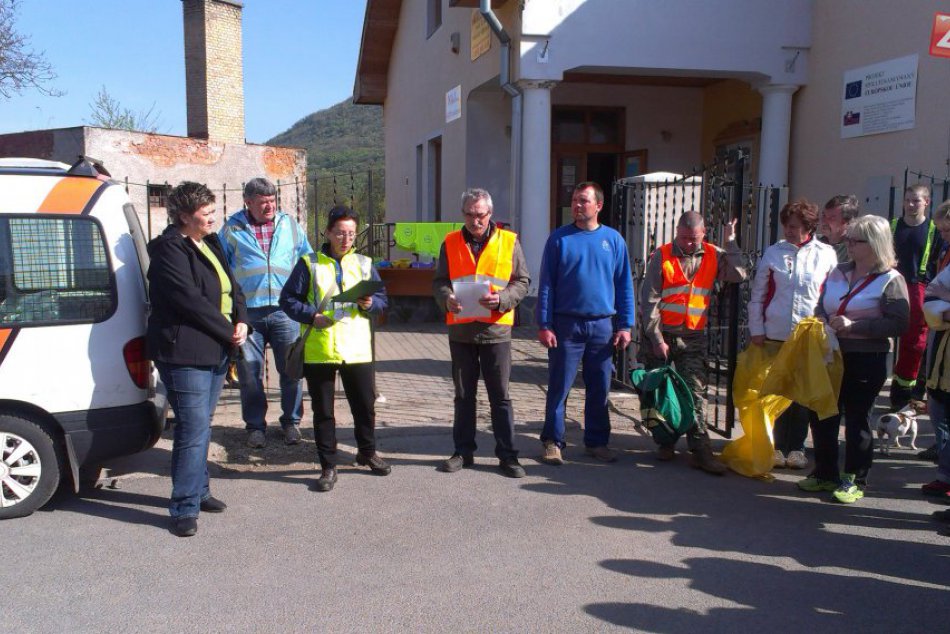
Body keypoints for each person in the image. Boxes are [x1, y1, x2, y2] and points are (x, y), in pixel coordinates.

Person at [146, 181, 250, 537]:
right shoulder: (168, 250)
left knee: (201, 425)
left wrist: (242, 321)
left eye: (212, 211)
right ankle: (184, 507)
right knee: (192, 429)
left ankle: (200, 491)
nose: (212, 218)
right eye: (205, 213)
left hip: (217, 347)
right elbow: (189, 301)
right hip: (185, 353)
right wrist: (228, 330)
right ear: (184, 217)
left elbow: (233, 287)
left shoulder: (212, 242)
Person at [798, 215, 909, 503]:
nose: (847, 245)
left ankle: (855, 479)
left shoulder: (891, 279)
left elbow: (898, 323)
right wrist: (823, 319)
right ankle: (825, 473)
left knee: (858, 418)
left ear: (874, 244)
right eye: (848, 239)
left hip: (867, 357)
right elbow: (821, 305)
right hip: (831, 353)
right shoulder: (839, 271)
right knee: (823, 413)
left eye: (854, 241)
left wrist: (855, 326)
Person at [279, 206, 389, 492]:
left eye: (351, 233)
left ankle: (367, 452)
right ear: (328, 232)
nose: (346, 239)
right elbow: (288, 299)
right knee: (324, 411)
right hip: (321, 349)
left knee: (364, 406)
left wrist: (370, 304)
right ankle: (328, 465)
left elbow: (382, 300)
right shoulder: (309, 263)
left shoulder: (364, 263)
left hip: (357, 349)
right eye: (340, 233)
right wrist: (311, 315)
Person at [639, 210, 746, 475]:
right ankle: (665, 442)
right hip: (662, 334)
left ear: (704, 234)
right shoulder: (662, 255)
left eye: (694, 238)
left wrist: (731, 242)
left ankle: (700, 451)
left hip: (693, 336)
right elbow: (649, 300)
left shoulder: (713, 253)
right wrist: (656, 339)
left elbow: (739, 274)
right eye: (684, 237)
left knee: (695, 393)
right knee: (659, 393)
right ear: (677, 232)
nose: (689, 243)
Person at [433, 189, 531, 478]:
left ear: (490, 214)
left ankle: (508, 456)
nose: (475, 221)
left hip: (495, 331)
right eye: (469, 215)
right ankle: (463, 451)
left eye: (480, 215)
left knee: (500, 396)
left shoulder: (509, 241)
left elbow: (522, 281)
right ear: (463, 214)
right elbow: (439, 281)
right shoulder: (450, 242)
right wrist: (446, 298)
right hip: (461, 332)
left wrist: (503, 299)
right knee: (464, 396)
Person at [536, 181, 635, 465]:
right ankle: (553, 441)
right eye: (575, 200)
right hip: (566, 325)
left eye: (583, 201)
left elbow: (624, 285)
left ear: (598, 205)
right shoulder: (559, 239)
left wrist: (625, 325)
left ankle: (597, 442)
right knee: (559, 386)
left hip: (602, 326)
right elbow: (546, 285)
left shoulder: (613, 240)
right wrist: (544, 324)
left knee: (599, 387)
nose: (577, 205)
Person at [219, 178, 314, 449]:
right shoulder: (231, 229)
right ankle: (255, 427)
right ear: (248, 202)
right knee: (250, 374)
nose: (270, 206)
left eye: (272, 201)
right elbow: (222, 268)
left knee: (291, 370)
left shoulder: (290, 225)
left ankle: (291, 423)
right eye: (263, 202)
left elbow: (308, 260)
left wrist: (306, 298)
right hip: (248, 313)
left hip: (286, 311)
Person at [749, 200, 837, 470]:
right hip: (775, 334)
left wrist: (828, 329)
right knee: (775, 390)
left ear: (808, 227)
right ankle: (776, 446)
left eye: (794, 226)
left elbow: (831, 295)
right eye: (786, 226)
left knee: (800, 394)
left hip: (808, 334)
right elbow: (758, 293)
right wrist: (757, 328)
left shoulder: (826, 254)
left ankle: (797, 447)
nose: (788, 230)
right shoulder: (773, 253)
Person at [890, 184, 937, 412]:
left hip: (919, 287)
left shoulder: (933, 230)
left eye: (916, 200)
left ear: (926, 202)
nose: (910, 205)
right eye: (907, 200)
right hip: (890, 286)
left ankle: (903, 395)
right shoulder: (892, 226)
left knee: (915, 344)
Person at [919, 200, 950, 465]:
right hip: (940, 332)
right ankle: (943, 455)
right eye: (940, 230)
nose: (942, 235)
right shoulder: (945, 250)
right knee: (937, 396)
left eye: (946, 230)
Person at [819, 194, 860, 264]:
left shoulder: (853, 250)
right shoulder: (814, 243)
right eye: (824, 215)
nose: (824, 221)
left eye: (831, 218)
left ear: (847, 222)